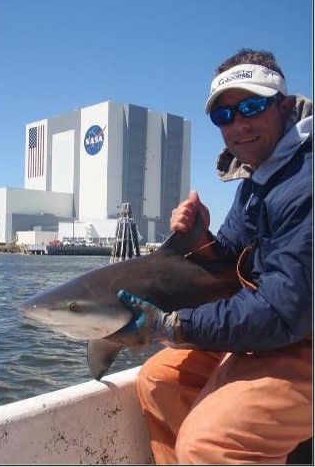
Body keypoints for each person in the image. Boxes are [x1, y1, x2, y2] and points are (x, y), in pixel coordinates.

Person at [116, 49, 313, 464]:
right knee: (158, 379)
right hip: (276, 328)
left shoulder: (305, 182)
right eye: (223, 116)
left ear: (282, 106)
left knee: (210, 443)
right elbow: (230, 259)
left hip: (300, 334)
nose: (238, 124)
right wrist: (199, 234)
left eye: (252, 106)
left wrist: (173, 325)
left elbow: (284, 311)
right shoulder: (259, 179)